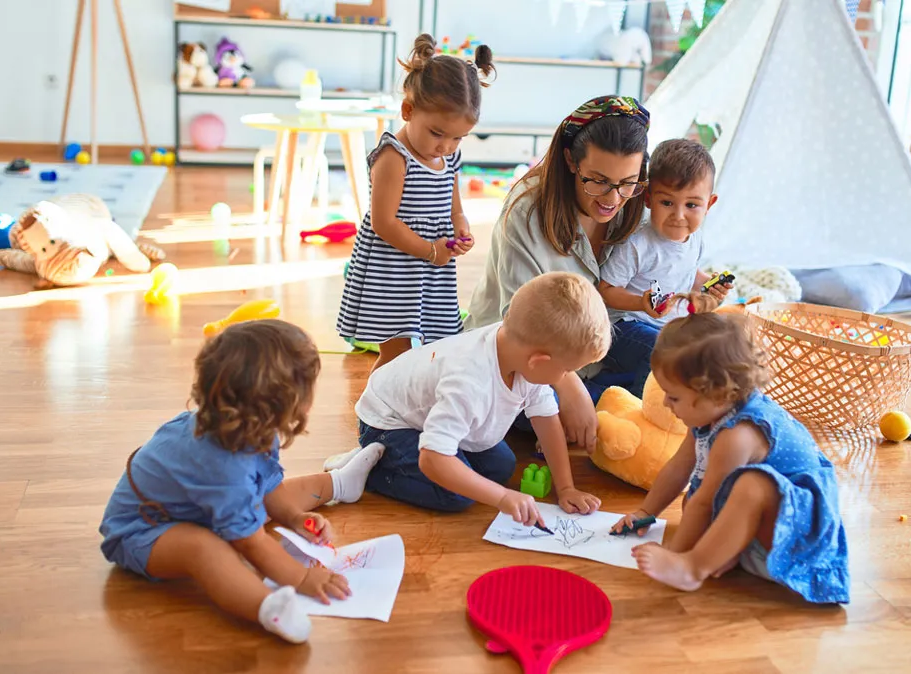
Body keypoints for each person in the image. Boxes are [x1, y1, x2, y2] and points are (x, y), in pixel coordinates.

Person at [98, 321, 387, 643]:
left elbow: (268, 486)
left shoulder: (249, 428)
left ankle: (339, 483)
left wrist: (293, 518)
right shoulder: (224, 470)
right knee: (203, 548)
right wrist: (303, 576)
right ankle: (267, 608)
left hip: (199, 507)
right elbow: (251, 544)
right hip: (143, 533)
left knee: (272, 494)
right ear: (282, 403)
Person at [611, 312, 850, 604]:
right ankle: (727, 552)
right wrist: (645, 512)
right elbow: (679, 468)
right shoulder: (706, 415)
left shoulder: (738, 435)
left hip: (799, 539)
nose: (665, 403)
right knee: (693, 502)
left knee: (750, 485)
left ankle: (694, 568)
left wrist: (675, 556)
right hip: (764, 530)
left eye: (673, 397)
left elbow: (706, 501)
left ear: (718, 394)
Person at [333, 272, 609, 521]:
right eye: (567, 371)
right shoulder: (469, 381)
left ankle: (394, 458)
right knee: (456, 495)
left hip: (425, 412)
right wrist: (501, 497)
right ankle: (368, 469)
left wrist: (566, 488)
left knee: (501, 467)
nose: (567, 378)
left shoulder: (520, 350)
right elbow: (432, 459)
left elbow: (546, 420)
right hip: (387, 422)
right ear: (538, 361)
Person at [465, 95, 651, 451]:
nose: (613, 199)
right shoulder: (526, 211)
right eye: (597, 180)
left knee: (669, 355)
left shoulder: (635, 200)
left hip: (593, 350)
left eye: (627, 182)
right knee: (518, 399)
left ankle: (588, 419)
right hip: (529, 356)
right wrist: (569, 386)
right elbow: (518, 327)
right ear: (570, 160)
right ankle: (598, 417)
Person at [337, 33, 495, 371]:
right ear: (408, 110)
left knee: (436, 348)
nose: (446, 146)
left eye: (457, 137)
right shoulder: (395, 156)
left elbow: (454, 206)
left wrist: (461, 228)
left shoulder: (450, 157)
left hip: (431, 269)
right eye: (437, 133)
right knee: (396, 352)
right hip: (392, 269)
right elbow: (383, 223)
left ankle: (411, 402)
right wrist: (430, 250)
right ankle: (376, 413)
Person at [597, 139, 728, 398]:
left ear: (709, 204)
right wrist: (640, 303)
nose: (678, 215)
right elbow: (606, 290)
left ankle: (612, 386)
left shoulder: (696, 238)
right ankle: (639, 410)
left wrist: (709, 285)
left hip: (668, 327)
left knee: (716, 342)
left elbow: (688, 274)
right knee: (663, 350)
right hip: (624, 325)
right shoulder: (639, 242)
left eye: (691, 205)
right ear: (648, 198)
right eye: (667, 203)